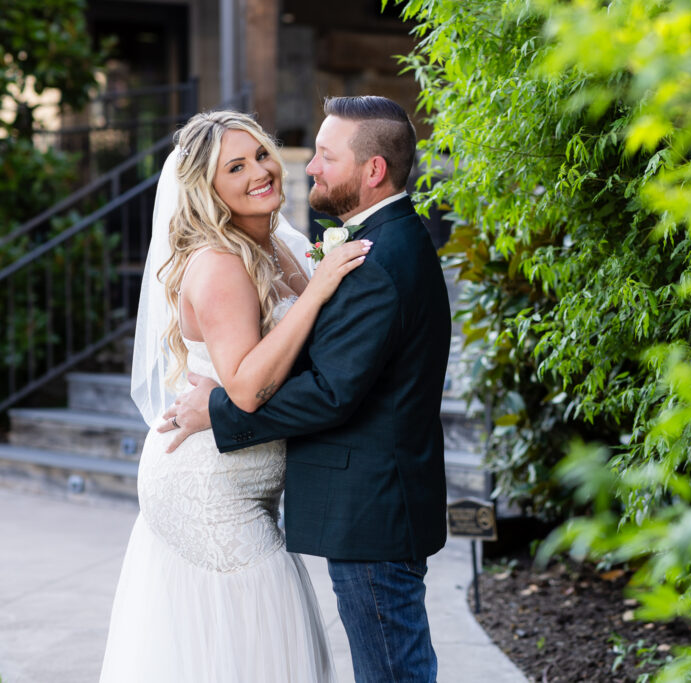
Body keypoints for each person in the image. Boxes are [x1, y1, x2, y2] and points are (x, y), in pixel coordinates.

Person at [161, 96, 451, 683]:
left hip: (372, 502)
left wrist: (216, 412)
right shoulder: (373, 242)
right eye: (235, 166)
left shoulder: (373, 258)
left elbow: (329, 391)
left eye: (323, 154)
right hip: (234, 486)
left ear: (372, 171)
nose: (305, 167)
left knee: (390, 667)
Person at [100, 110, 372, 682]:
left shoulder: (277, 246)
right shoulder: (220, 264)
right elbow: (247, 388)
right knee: (262, 631)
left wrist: (317, 282)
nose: (261, 171)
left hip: (244, 472)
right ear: (208, 189)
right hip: (208, 486)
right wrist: (320, 287)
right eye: (236, 166)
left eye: (262, 154)